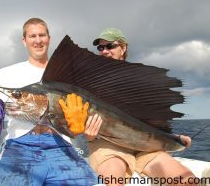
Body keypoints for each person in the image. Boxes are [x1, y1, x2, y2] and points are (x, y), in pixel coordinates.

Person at [0, 18, 98, 186]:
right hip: (20, 145)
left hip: (61, 146)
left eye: (42, 35)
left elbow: (88, 122)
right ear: (24, 41)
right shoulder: (8, 72)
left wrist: (84, 131)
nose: (38, 40)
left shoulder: (70, 77)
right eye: (32, 36)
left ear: (49, 38)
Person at [82, 28, 196, 186]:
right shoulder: (89, 82)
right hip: (108, 145)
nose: (105, 51)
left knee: (187, 180)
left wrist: (175, 138)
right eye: (101, 48)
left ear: (123, 48)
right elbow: (78, 125)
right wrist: (88, 135)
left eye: (110, 46)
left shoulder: (139, 81)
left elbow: (150, 120)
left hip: (144, 144)